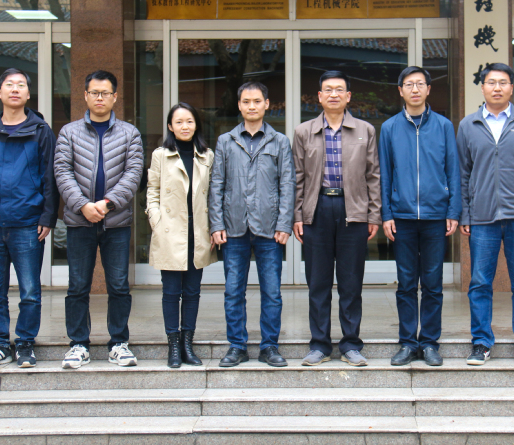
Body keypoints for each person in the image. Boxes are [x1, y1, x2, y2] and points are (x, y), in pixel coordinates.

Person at [0, 68, 58, 369]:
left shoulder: (41, 131)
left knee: (30, 291)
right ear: (0, 92)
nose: (15, 89)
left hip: (28, 222)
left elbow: (50, 178)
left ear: (28, 94)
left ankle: (26, 343)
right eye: (9, 84)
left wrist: (48, 215)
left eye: (21, 85)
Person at [457, 63, 514, 367]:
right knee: (480, 283)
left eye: (503, 82)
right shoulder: (468, 125)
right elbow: (462, 174)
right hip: (482, 218)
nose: (497, 87)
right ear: (482, 87)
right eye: (491, 82)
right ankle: (481, 342)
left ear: (511, 87)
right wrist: (465, 214)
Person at [54, 70, 143, 369]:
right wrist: (83, 206)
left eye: (105, 93)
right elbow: (62, 172)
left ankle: (119, 343)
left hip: (116, 223)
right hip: (79, 222)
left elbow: (133, 174)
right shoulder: (69, 133)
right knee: (78, 285)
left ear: (115, 97)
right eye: (94, 92)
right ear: (85, 95)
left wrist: (106, 204)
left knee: (118, 285)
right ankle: (78, 344)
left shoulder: (130, 133)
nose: (100, 98)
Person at [293, 70, 381, 367]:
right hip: (317, 209)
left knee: (350, 282)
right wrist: (297, 215)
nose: (333, 94)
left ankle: (351, 344)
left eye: (339, 89)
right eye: (328, 90)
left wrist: (374, 215)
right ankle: (319, 345)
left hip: (352, 210)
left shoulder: (365, 130)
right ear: (319, 96)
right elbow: (297, 178)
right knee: (318, 282)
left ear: (348, 96)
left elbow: (373, 175)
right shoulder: (304, 132)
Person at [208, 81, 295, 368]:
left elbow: (287, 184)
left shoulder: (279, 141)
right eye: (246, 101)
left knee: (272, 292)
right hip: (234, 227)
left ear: (267, 104)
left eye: (257, 101)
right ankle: (237, 346)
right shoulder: (226, 141)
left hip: (269, 229)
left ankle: (269, 346)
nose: (252, 106)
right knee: (234, 291)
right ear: (239, 105)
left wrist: (284, 223)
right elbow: (216, 184)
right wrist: (216, 224)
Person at [379, 66, 461, 367]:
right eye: (408, 84)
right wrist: (386, 213)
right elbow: (384, 174)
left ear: (428, 89)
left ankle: (429, 343)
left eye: (420, 84)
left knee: (433, 283)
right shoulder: (389, 128)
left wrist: (453, 210)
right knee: (406, 283)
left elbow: (453, 170)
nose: (414, 89)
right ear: (400, 90)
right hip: (401, 217)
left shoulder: (443, 126)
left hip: (435, 216)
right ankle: (407, 342)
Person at [147, 102, 215, 368]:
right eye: (179, 122)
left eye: (189, 121)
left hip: (198, 232)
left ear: (196, 124)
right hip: (170, 232)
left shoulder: (207, 156)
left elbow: (214, 194)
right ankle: (173, 346)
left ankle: (188, 343)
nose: (184, 126)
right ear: (170, 126)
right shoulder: (160, 155)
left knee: (193, 292)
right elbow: (152, 191)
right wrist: (156, 219)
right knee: (171, 292)